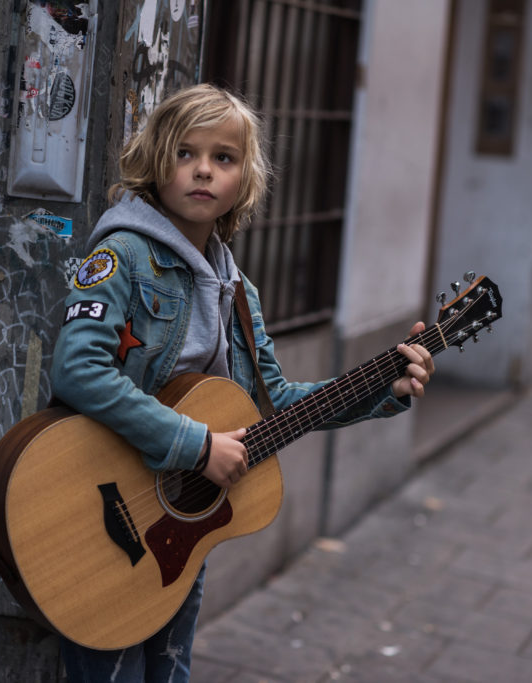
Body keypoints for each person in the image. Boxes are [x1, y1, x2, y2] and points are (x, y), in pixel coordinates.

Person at [48, 83, 435, 682]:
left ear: (244, 179)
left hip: (176, 528)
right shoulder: (123, 256)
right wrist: (198, 447)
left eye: (223, 157)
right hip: (99, 513)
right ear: (155, 159)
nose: (203, 169)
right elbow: (78, 369)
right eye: (185, 152)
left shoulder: (236, 290)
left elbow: (274, 405)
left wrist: (385, 388)